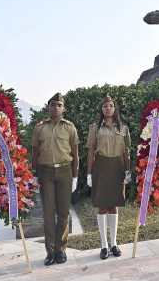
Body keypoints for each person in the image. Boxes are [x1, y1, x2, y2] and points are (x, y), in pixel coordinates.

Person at [31, 93, 79, 266]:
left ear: (63, 108)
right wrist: (34, 174)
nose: (56, 107)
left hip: (65, 172)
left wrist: (75, 176)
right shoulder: (40, 128)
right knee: (48, 214)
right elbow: (34, 154)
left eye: (59, 104)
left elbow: (75, 154)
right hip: (45, 173)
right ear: (48, 107)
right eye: (53, 104)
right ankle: (50, 252)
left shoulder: (70, 128)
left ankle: (61, 250)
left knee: (64, 213)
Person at [86, 94, 131, 260]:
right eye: (105, 106)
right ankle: (104, 245)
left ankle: (114, 243)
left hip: (118, 167)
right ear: (101, 109)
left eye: (111, 105)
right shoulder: (95, 128)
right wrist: (89, 173)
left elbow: (126, 151)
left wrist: (127, 170)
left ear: (115, 107)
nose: (108, 108)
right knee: (102, 206)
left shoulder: (123, 128)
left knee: (114, 205)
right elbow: (91, 151)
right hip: (101, 167)